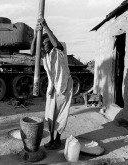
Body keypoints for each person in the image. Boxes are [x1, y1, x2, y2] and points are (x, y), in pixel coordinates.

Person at [30, 18, 73, 150]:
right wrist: (35, 35)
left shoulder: (61, 49)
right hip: (53, 88)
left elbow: (56, 43)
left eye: (47, 42)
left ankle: (58, 140)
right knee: (50, 115)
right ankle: (52, 139)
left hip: (64, 86)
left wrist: (46, 27)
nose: (45, 45)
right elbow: (32, 52)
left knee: (61, 114)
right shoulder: (45, 55)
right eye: (43, 44)